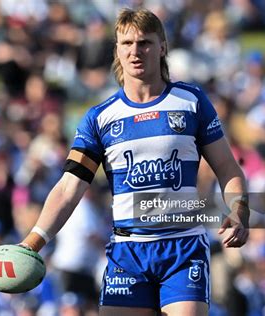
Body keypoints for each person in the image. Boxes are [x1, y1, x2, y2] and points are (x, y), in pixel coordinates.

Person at [19, 8, 250, 316]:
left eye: (145, 43)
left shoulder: (191, 101)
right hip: (128, 251)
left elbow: (227, 168)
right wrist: (32, 243)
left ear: (162, 47)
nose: (135, 51)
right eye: (126, 43)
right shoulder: (99, 118)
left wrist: (239, 208)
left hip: (183, 246)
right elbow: (68, 189)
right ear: (116, 48)